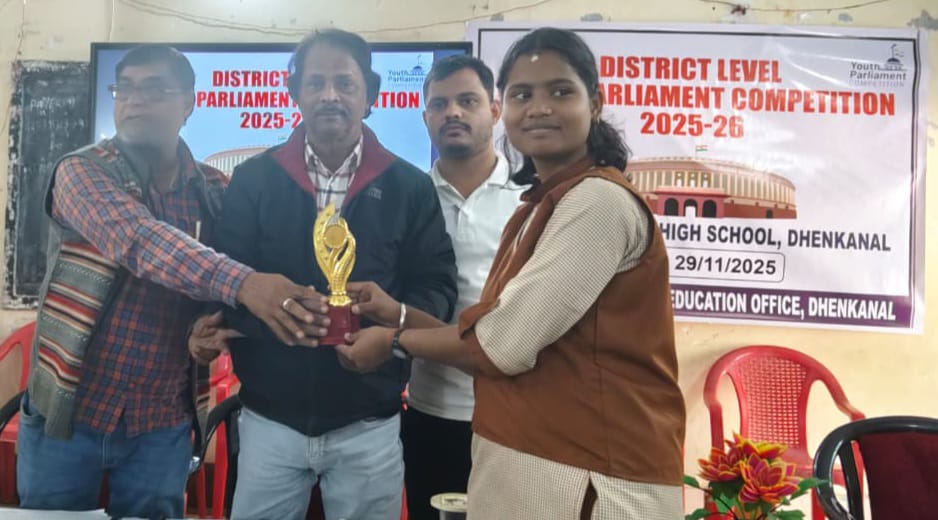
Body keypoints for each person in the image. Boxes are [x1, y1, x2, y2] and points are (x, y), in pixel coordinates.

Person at [338, 27, 686, 519]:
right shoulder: (541, 204)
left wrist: (394, 339)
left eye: (560, 92)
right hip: (518, 444)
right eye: (523, 94)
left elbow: (502, 343)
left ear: (596, 103)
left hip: (590, 470)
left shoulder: (597, 202)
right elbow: (493, 330)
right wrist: (395, 314)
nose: (539, 108)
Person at [16, 45, 320, 519]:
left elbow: (218, 279)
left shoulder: (215, 191)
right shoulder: (82, 170)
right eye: (125, 89)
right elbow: (139, 241)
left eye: (155, 89)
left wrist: (208, 326)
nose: (135, 100)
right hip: (71, 411)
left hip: (161, 419)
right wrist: (248, 285)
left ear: (189, 103)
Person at [207, 29, 457, 520]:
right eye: (315, 82)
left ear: (370, 94)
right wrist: (274, 320)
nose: (329, 95)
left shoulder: (409, 186)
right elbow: (224, 278)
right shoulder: (254, 179)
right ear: (295, 93)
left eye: (344, 83)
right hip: (268, 419)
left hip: (371, 422)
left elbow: (438, 286)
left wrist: (391, 332)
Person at [401, 55, 521, 519]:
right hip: (429, 410)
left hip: (513, 415)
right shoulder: (408, 199)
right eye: (439, 104)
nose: (452, 112)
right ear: (425, 118)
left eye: (467, 101)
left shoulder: (532, 198)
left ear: (494, 111)